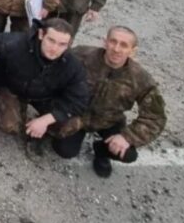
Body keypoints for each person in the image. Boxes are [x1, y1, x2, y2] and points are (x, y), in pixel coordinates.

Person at [56, 26, 167, 177]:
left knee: (127, 154)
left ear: (132, 51)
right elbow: (52, 73)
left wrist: (127, 137)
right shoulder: (81, 55)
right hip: (77, 116)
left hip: (109, 121)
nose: (116, 49)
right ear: (105, 42)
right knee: (64, 150)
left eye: (124, 45)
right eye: (113, 42)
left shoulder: (140, 78)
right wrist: (55, 112)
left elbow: (155, 117)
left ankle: (101, 151)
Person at [0, 18, 89, 156]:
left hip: (44, 96)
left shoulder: (72, 66)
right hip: (11, 88)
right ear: (41, 35)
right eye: (51, 40)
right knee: (9, 125)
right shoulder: (15, 44)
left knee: (72, 123)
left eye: (62, 44)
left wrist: (47, 120)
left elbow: (79, 100)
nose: (55, 48)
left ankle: (39, 129)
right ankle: (24, 121)